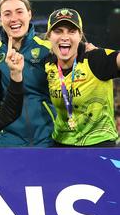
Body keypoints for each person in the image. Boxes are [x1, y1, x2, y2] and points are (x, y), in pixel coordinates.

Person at [44, 8, 120, 147]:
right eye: (58, 31)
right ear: (48, 36)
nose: (65, 36)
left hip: (98, 145)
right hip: (60, 146)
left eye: (72, 31)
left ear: (80, 36)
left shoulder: (96, 59)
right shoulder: (47, 65)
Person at [0, 0, 54, 147]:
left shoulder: (49, 46)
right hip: (8, 141)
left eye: (19, 12)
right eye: (7, 14)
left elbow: (75, 50)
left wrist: (87, 49)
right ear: (0, 19)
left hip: (47, 138)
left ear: (29, 14)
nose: (14, 19)